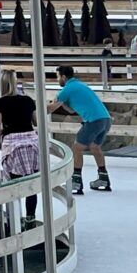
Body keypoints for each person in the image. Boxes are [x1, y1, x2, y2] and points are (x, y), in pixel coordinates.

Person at [48, 65, 112, 195]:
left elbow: (50, 109)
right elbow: (71, 110)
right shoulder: (79, 85)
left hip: (93, 121)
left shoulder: (67, 89)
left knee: (77, 148)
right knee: (95, 147)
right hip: (105, 119)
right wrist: (64, 104)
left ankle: (76, 181)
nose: (57, 80)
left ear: (64, 77)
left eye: (58, 77)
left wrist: (34, 109)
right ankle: (103, 178)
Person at [0, 69, 38, 231]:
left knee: (13, 184)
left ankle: (14, 220)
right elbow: (35, 122)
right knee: (30, 184)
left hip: (13, 145)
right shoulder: (28, 100)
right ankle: (30, 218)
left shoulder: (0, 102)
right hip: (31, 144)